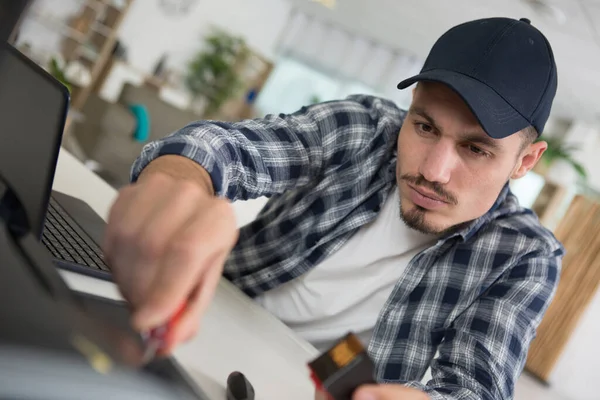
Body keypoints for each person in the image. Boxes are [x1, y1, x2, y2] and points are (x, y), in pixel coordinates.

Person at [104, 16, 564, 400]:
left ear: (525, 161)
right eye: (424, 126)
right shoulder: (364, 129)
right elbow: (224, 148)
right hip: (202, 323)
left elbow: (476, 388)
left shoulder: (525, 255)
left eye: (476, 149)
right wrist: (178, 180)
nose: (434, 171)